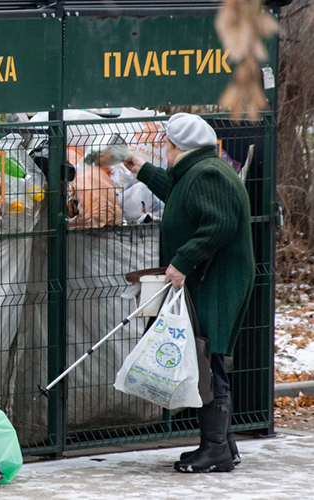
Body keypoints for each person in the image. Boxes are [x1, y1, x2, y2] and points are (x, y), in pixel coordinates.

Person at [122, 113, 254, 474]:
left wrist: (181, 261)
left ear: (179, 147)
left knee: (207, 357)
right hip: (212, 278)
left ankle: (216, 451)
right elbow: (183, 198)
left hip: (216, 280)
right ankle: (223, 446)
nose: (164, 149)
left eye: (166, 144)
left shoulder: (209, 174)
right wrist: (144, 169)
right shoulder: (201, 171)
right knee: (207, 355)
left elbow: (219, 224)